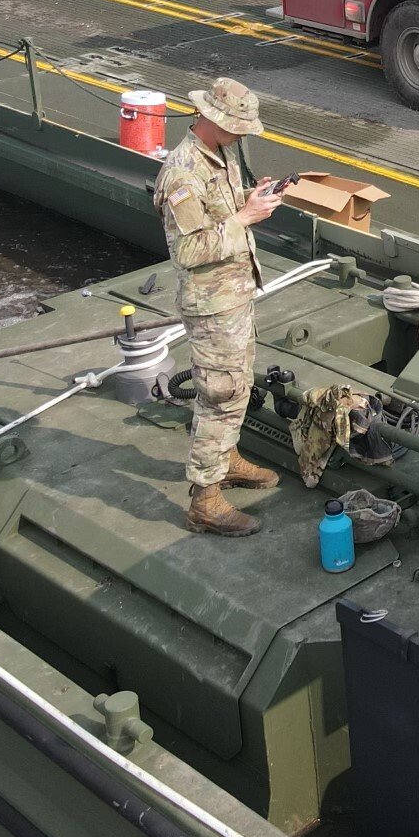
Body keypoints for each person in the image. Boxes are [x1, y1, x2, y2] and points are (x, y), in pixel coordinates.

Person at [154, 77, 286, 535]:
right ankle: (205, 499)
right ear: (208, 119)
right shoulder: (183, 174)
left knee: (237, 385)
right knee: (219, 395)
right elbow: (188, 252)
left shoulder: (221, 153)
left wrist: (249, 202)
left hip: (232, 295)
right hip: (212, 304)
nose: (242, 135)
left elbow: (222, 214)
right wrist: (245, 218)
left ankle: (225, 459)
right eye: (235, 126)